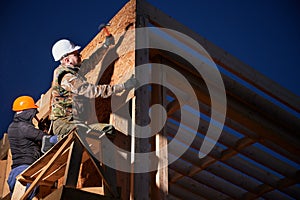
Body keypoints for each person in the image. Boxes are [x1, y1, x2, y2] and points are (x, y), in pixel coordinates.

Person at [49, 35, 137, 142]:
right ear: (67, 60)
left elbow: (91, 62)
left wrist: (105, 46)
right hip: (64, 124)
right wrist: (123, 86)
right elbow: (92, 91)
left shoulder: (74, 70)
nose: (80, 56)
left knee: (108, 130)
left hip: (77, 123)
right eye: (76, 54)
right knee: (81, 133)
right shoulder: (67, 78)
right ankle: (53, 140)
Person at [7, 95, 57, 199]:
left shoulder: (13, 127)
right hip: (26, 172)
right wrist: (62, 137)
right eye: (33, 113)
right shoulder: (24, 127)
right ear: (29, 112)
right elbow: (48, 139)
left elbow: (30, 143)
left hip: (15, 174)